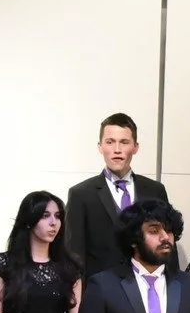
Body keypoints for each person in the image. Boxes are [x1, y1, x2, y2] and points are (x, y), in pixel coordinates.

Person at [63, 113, 172, 277]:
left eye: (124, 142)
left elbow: (167, 242)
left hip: (148, 284)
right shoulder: (81, 194)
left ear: (135, 147)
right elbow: (75, 252)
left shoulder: (155, 190)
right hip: (100, 289)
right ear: (100, 147)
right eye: (110, 142)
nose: (117, 150)